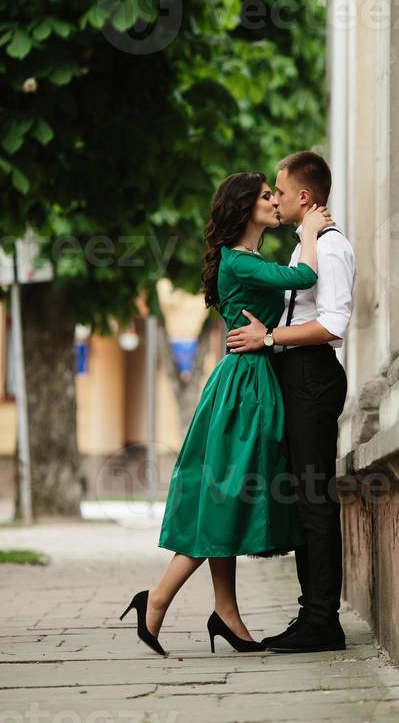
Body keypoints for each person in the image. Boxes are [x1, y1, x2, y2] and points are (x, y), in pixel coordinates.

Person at [119, 172, 333, 657]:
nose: (274, 201)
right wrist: (310, 235)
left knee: (226, 499)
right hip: (245, 388)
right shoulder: (238, 262)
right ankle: (157, 598)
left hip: (249, 380)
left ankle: (227, 615)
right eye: (265, 196)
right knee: (227, 497)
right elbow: (303, 278)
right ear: (244, 208)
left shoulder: (248, 260)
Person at [226, 152, 357, 653]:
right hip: (295, 377)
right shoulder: (307, 247)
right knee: (304, 500)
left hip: (312, 377)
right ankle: (312, 614)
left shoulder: (332, 248)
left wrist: (271, 338)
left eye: (278, 191)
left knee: (314, 500)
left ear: (304, 196)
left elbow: (332, 325)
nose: (274, 199)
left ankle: (324, 622)